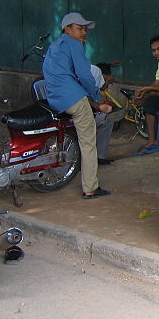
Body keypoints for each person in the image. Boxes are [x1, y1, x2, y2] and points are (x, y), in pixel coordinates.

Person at [42, 12, 112, 199]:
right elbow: (84, 74)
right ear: (67, 29)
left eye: (85, 29)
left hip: (57, 99)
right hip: (74, 99)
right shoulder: (74, 45)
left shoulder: (54, 47)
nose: (84, 33)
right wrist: (97, 97)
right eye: (80, 28)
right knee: (88, 143)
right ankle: (90, 188)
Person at [134, 35, 159, 155]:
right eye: (154, 50)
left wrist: (148, 88)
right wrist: (144, 92)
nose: (156, 53)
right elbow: (156, 84)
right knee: (150, 99)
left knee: (155, 93)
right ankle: (152, 140)